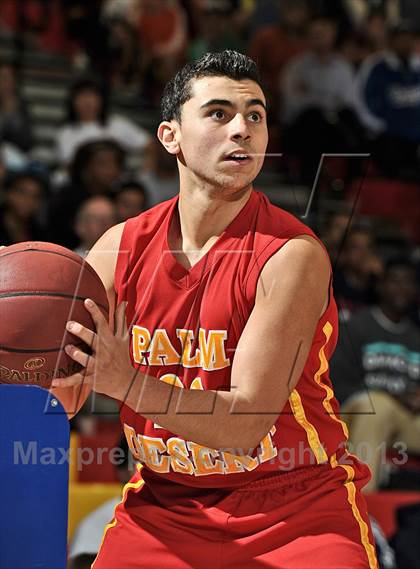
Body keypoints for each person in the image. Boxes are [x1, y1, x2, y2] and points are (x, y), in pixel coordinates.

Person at [51, 51, 378, 568]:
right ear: (170, 137)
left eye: (256, 115)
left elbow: (246, 423)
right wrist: (22, 349)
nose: (242, 129)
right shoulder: (120, 246)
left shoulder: (291, 254)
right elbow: (64, 395)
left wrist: (127, 383)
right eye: (219, 113)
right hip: (166, 504)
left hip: (295, 507)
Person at [331, 258, 420, 493]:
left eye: (408, 283)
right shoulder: (355, 327)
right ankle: (362, 505)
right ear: (380, 286)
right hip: (358, 412)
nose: (401, 289)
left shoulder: (416, 336)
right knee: (377, 407)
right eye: (395, 282)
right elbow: (337, 385)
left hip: (405, 419)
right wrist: (393, 396)